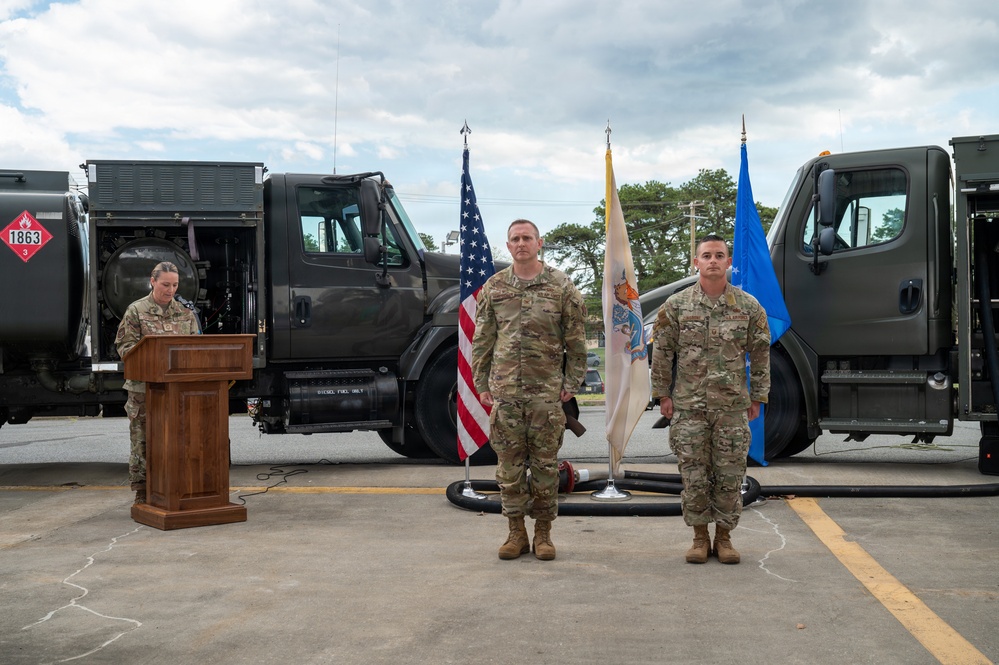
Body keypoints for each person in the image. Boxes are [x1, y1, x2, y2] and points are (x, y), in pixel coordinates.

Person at [471, 219, 587, 561]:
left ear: (540, 243)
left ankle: (544, 535)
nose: (521, 243)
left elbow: (576, 341)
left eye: (527, 238)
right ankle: (516, 533)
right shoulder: (494, 287)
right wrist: (481, 383)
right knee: (508, 469)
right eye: (515, 239)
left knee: (545, 469)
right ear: (508, 246)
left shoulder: (562, 286)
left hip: (546, 396)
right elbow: (483, 340)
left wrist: (572, 382)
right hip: (506, 395)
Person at [650, 234, 770, 564]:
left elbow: (760, 354)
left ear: (729, 262)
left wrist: (758, 396)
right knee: (694, 475)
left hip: (732, 407)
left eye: (719, 255)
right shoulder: (676, 305)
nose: (713, 260)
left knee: (730, 475)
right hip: (689, 406)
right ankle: (700, 538)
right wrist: (662, 394)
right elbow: (662, 352)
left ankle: (725, 538)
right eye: (707, 255)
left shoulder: (748, 307)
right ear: (696, 262)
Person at [115, 261, 200, 504]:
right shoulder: (136, 311)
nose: (170, 289)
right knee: (143, 440)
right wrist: (154, 360)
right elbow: (125, 348)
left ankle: (178, 487)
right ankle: (142, 491)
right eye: (165, 284)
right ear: (152, 282)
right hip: (144, 389)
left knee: (178, 439)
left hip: (177, 391)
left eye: (174, 285)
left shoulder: (185, 313)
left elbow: (195, 349)